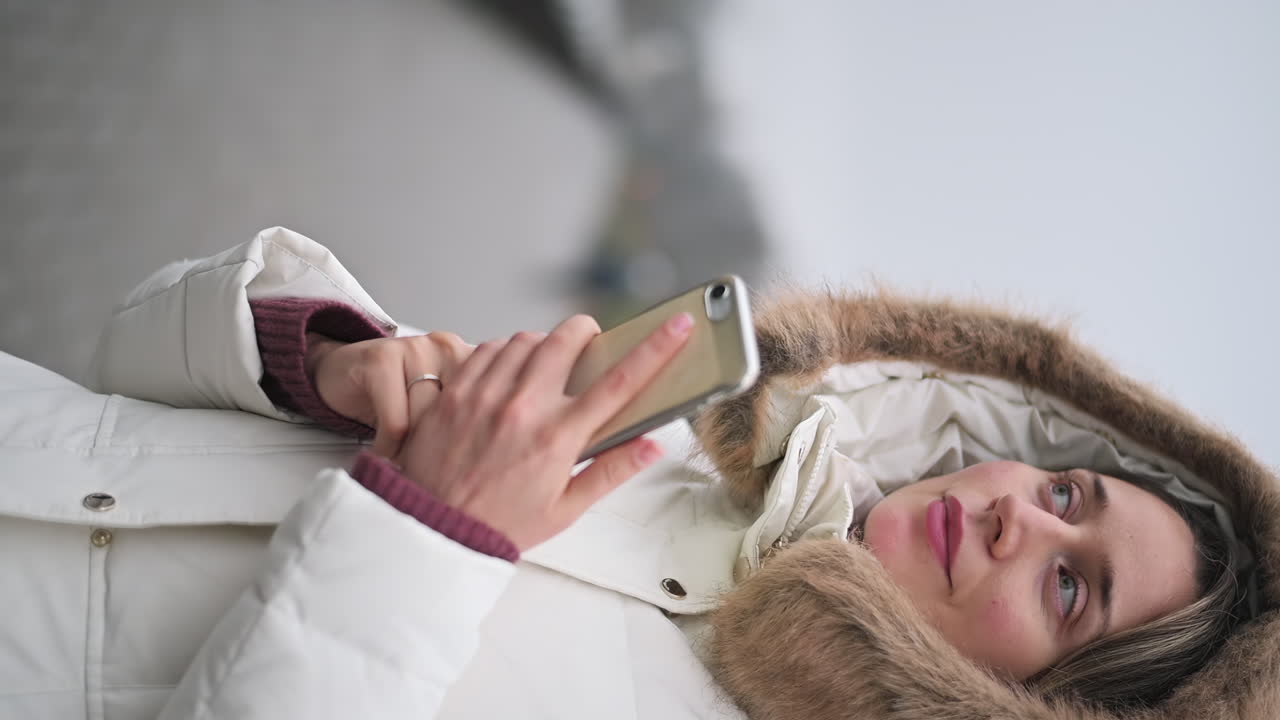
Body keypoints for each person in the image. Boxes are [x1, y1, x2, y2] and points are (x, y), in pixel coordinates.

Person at [0, 227, 1270, 719]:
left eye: (1068, 591)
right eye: (1063, 496)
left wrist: (428, 532)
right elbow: (117, 367)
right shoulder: (665, 453)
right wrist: (315, 363)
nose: (1014, 524)